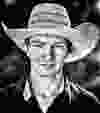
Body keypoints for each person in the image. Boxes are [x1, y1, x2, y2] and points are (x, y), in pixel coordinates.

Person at [2, 2, 100, 113]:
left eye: (58, 46)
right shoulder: (3, 100)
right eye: (38, 45)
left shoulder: (88, 105)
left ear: (68, 52)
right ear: (27, 49)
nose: (48, 55)